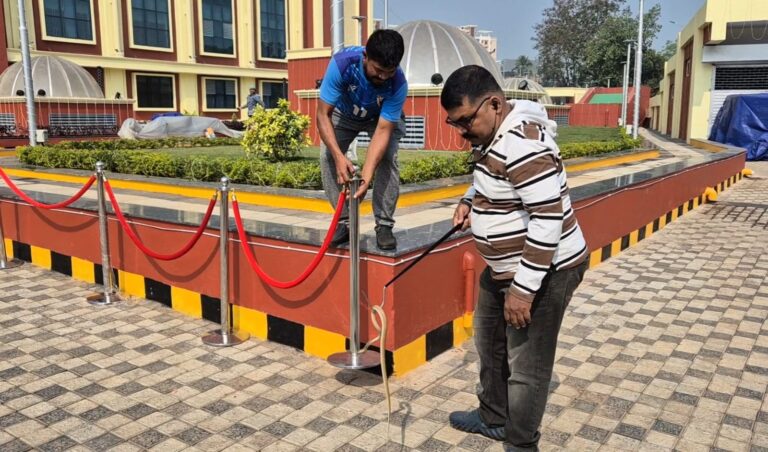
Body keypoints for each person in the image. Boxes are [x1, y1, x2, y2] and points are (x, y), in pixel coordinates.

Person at [440, 65, 589, 452]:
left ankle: (521, 443)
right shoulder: (495, 134)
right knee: (489, 339)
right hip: (503, 268)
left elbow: (547, 218)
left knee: (526, 364)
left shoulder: (524, 145)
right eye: (454, 123)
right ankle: (493, 417)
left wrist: (523, 291)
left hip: (545, 270)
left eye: (465, 121)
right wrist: (469, 201)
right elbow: (493, 179)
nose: (461, 131)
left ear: (494, 104)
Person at [317, 29, 407, 250]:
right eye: (378, 70)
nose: (383, 77)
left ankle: (384, 224)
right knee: (327, 156)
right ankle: (344, 222)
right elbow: (322, 115)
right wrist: (339, 156)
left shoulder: (398, 83)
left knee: (388, 157)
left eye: (389, 72)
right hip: (345, 113)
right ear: (365, 56)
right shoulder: (342, 64)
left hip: (379, 116)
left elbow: (383, 130)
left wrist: (366, 176)